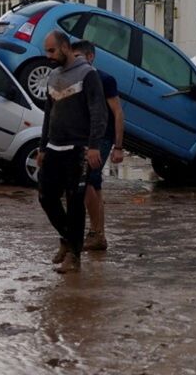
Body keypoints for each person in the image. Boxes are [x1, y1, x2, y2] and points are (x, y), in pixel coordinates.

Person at [37, 30, 108, 273]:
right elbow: (48, 113)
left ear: (65, 47)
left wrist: (94, 146)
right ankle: (68, 239)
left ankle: (74, 257)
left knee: (75, 202)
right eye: (47, 51)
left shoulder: (88, 75)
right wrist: (42, 147)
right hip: (54, 148)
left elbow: (99, 112)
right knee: (46, 197)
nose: (48, 56)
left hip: (79, 149)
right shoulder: (53, 76)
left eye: (52, 51)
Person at [71, 40, 125, 252]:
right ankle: (98, 235)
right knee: (94, 186)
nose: (74, 62)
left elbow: (118, 113)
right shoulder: (76, 79)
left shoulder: (104, 79)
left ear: (90, 57)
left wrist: (118, 146)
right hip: (85, 138)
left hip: (102, 138)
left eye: (78, 57)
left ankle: (95, 234)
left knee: (87, 183)